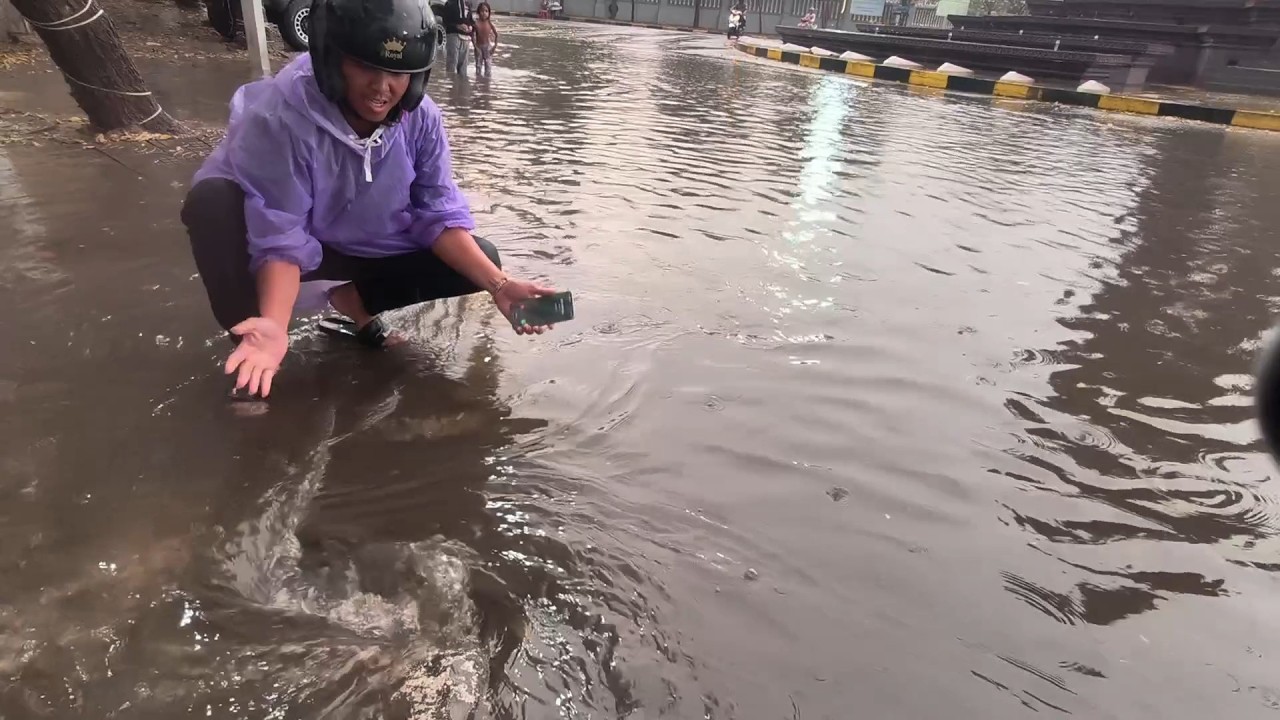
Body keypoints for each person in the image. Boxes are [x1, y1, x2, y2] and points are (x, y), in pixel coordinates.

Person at [181, 0, 557, 399]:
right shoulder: (279, 118)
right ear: (331, 59)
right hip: (292, 243)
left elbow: (438, 214)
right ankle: (253, 344)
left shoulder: (423, 118)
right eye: (365, 66)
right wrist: (275, 323)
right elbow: (280, 236)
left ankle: (354, 303)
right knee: (210, 203)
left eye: (397, 72)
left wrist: (499, 286)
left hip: (362, 239)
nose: (382, 88)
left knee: (483, 259)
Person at [440, 0, 473, 76]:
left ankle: (461, 85)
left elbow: (471, 20)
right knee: (452, 64)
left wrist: (471, 26)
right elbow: (445, 21)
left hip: (466, 37)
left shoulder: (468, 3)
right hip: (453, 35)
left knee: (463, 67)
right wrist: (457, 26)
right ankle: (452, 84)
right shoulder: (450, 3)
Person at [472, 2, 498, 78]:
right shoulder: (476, 23)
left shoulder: (490, 23)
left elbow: (496, 35)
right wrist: (475, 47)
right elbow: (472, 36)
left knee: (488, 67)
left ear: (489, 13)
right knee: (478, 67)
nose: (484, 13)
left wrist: (494, 46)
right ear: (478, 12)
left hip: (488, 48)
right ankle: (478, 82)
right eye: (482, 11)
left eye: (486, 11)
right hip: (478, 47)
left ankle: (486, 84)